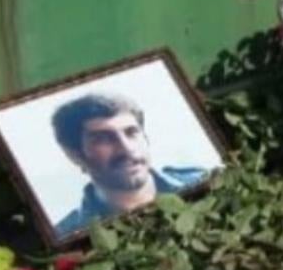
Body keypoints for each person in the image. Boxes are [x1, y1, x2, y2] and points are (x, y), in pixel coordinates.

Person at [51, 94, 208, 237]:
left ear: (146, 138)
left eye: (131, 132)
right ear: (75, 155)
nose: (126, 148)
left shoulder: (207, 181)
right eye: (103, 139)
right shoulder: (68, 235)